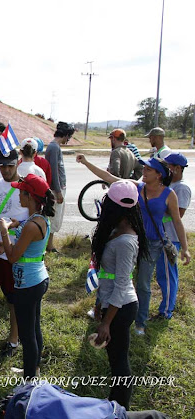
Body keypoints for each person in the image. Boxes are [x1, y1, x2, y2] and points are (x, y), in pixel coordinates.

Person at [76, 154, 191, 336]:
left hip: (152, 244)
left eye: (148, 169)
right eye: (144, 168)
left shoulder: (169, 194)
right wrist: (86, 162)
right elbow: (110, 179)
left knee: (143, 283)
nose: (143, 172)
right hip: (130, 240)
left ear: (159, 175)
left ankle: (140, 322)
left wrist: (185, 249)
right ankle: (100, 308)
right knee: (110, 274)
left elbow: (177, 221)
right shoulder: (137, 187)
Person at [89, 180, 149, 409]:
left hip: (121, 308)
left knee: (120, 362)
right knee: (114, 360)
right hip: (112, 303)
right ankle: (114, 403)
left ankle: (120, 407)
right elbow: (109, 277)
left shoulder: (126, 241)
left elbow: (122, 285)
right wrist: (100, 304)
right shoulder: (117, 230)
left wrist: (106, 322)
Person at [0, 174, 55, 379]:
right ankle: (33, 370)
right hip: (37, 279)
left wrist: (4, 231)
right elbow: (25, 228)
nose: (18, 194)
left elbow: (12, 257)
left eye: (21, 191)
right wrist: (14, 225)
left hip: (28, 284)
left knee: (27, 334)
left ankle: (29, 381)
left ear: (30, 196)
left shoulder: (31, 226)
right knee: (34, 327)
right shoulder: (38, 218)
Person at [0, 149, 29, 356]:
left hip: (16, 252)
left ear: (17, 164)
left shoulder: (27, 186)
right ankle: (18, 332)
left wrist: (13, 225)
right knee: (7, 293)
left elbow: (36, 219)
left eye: (10, 165)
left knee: (15, 299)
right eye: (2, 166)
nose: (6, 170)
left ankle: (14, 340)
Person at [155, 153, 190, 319]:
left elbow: (178, 215)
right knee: (162, 274)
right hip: (160, 236)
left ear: (177, 168)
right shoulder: (168, 185)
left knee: (168, 276)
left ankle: (166, 311)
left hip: (170, 238)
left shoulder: (181, 188)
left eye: (168, 166)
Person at [44, 121, 74, 253]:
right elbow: (54, 171)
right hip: (57, 189)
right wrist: (58, 191)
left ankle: (49, 244)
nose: (69, 140)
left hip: (58, 187)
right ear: (66, 135)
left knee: (54, 217)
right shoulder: (54, 147)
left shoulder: (54, 146)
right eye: (69, 137)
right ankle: (49, 246)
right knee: (54, 218)